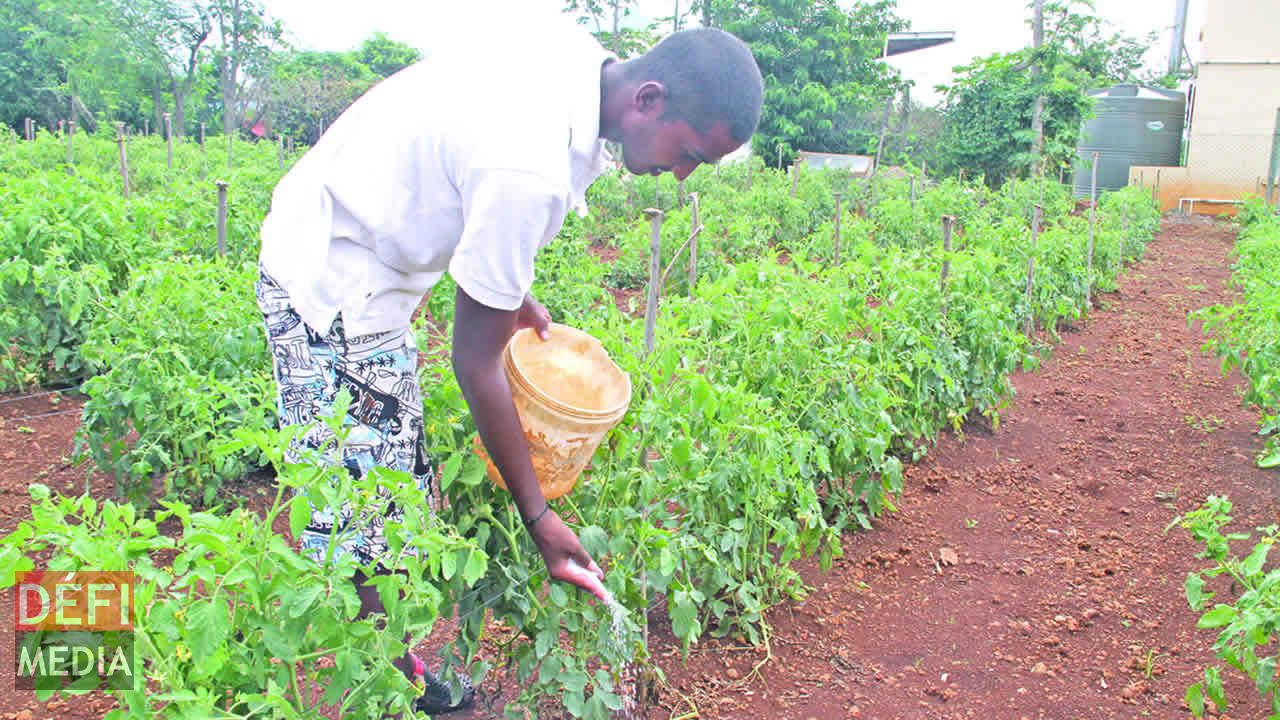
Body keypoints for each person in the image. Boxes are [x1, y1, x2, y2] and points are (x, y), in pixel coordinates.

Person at [255, 9, 763, 715]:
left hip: (375, 255)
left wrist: (507, 289)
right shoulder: (531, 167)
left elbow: (466, 159)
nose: (680, 177)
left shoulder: (578, 60)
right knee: (365, 497)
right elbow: (476, 363)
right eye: (689, 155)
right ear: (647, 99)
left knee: (394, 480)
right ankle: (381, 687)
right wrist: (538, 516)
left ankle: (393, 665)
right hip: (329, 273)